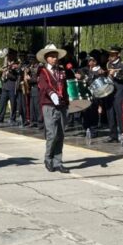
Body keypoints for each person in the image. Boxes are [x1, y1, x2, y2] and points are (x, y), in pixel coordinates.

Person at [36, 44, 70, 173]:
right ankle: (48, 159)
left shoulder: (61, 70)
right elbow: (44, 86)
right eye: (51, 56)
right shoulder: (42, 71)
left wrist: (67, 101)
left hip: (62, 105)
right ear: (46, 58)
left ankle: (58, 161)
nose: (54, 59)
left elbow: (65, 86)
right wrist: (52, 94)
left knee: (60, 134)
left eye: (56, 56)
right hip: (48, 104)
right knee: (52, 134)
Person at [105, 46, 123, 145]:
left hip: (120, 92)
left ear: (118, 55)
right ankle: (113, 135)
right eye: (110, 54)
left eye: (113, 54)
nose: (111, 56)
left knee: (120, 115)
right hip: (110, 92)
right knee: (110, 114)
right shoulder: (108, 64)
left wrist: (116, 75)